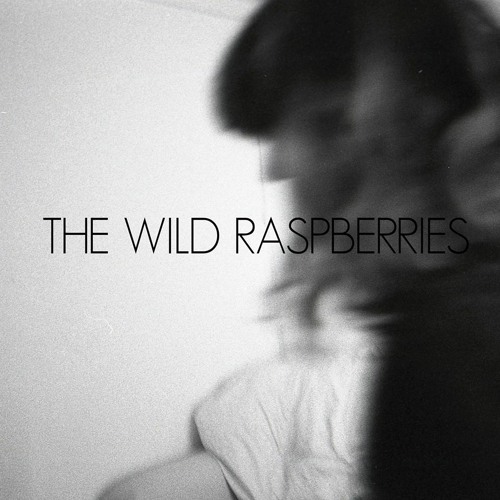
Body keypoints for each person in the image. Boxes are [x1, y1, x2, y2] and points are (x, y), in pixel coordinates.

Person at [99, 0, 500, 498]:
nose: (277, 166)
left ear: (410, 131)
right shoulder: (443, 320)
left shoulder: (456, 345)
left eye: (320, 122)